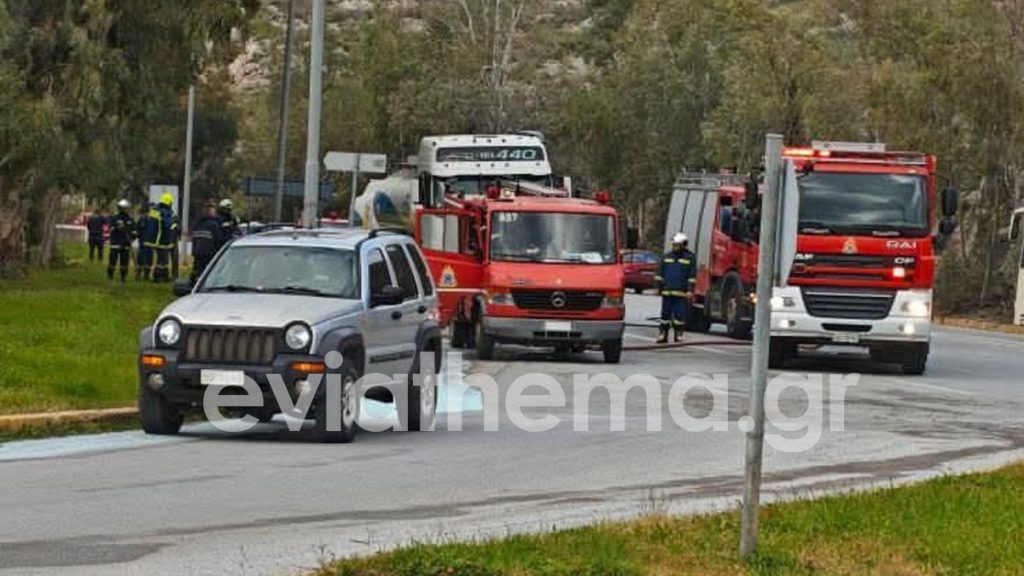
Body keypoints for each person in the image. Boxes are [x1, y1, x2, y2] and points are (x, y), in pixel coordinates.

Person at [655, 232, 697, 343]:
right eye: (673, 245)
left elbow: (692, 276)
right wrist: (659, 287)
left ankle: (678, 335)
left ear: (683, 245)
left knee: (679, 316)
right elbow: (659, 273)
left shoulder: (690, 258)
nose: (674, 247)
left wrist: (690, 290)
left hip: (681, 293)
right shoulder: (666, 257)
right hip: (667, 292)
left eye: (677, 245)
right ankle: (663, 335)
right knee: (665, 316)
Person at [190, 201, 223, 283]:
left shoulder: (197, 223)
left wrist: (194, 251)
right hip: (209, 253)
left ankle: (196, 282)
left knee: (198, 271)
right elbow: (218, 239)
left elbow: (194, 238)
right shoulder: (214, 224)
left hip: (198, 252)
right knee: (208, 272)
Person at [151, 193, 179, 282]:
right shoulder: (164, 212)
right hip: (164, 239)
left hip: (158, 239)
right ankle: (161, 277)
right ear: (168, 202)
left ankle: (161, 276)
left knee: (161, 260)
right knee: (163, 260)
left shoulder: (156, 210)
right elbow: (167, 224)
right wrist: (174, 221)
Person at [107, 199, 135, 282]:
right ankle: (110, 277)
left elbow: (134, 231)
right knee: (112, 262)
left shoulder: (130, 219)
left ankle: (123, 277)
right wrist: (116, 227)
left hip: (126, 245)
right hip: (115, 243)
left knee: (124, 263)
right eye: (125, 208)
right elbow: (110, 228)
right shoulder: (114, 218)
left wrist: (132, 238)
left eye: (127, 208)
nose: (126, 210)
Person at [136, 204, 153, 280]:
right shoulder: (142, 219)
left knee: (149, 259)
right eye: (151, 208)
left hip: (150, 243)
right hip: (143, 242)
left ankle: (146, 275)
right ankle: (138, 274)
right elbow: (138, 229)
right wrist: (140, 237)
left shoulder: (154, 220)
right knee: (140, 259)